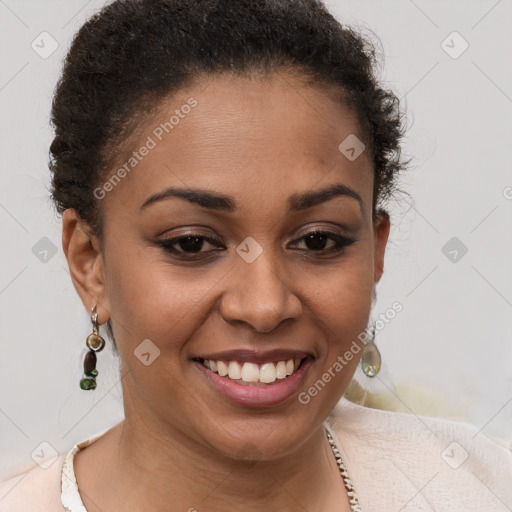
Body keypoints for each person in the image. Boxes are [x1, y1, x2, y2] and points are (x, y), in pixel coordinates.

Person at [1, 0, 510, 510]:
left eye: (317, 240)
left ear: (375, 252)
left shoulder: (475, 487)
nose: (265, 306)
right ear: (90, 263)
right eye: (192, 243)